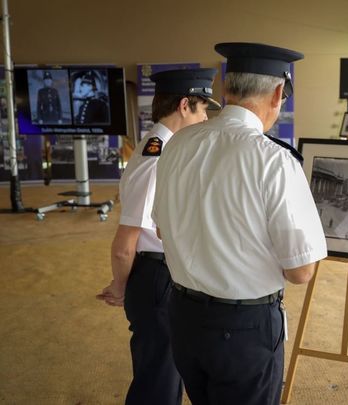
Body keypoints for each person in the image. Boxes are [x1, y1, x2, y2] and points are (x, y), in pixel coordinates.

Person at [152, 42, 327, 405]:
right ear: (279, 93)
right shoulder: (275, 161)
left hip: (184, 317)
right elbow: (301, 271)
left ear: (224, 90)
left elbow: (160, 229)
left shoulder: (178, 144)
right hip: (244, 328)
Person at [97, 68, 220, 405]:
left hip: (165, 275)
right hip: (154, 277)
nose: (206, 117)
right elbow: (126, 242)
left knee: (168, 372)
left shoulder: (165, 150)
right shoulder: (155, 157)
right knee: (158, 382)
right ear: (184, 105)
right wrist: (120, 285)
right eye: (203, 108)